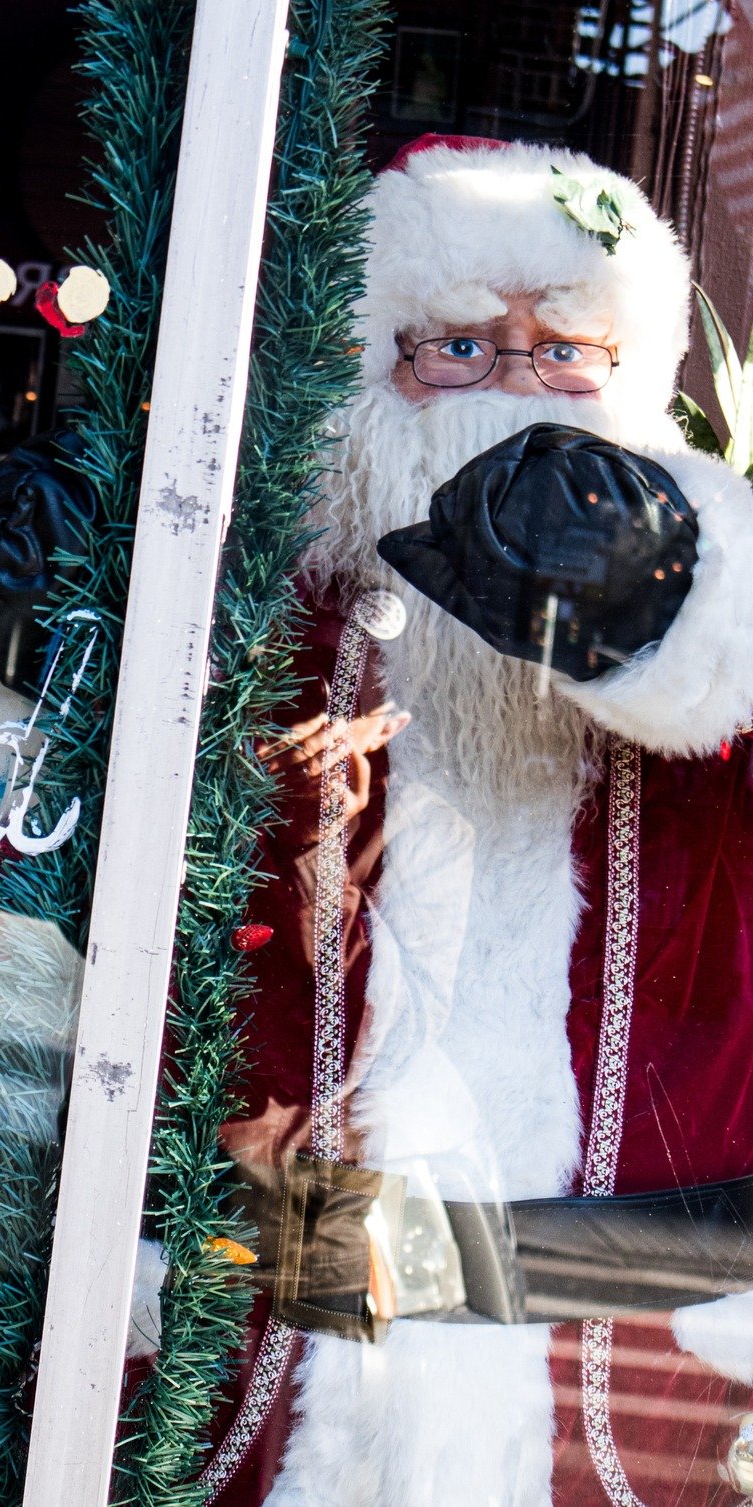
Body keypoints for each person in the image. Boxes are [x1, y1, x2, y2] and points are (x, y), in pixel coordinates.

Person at [201, 137, 753, 1506]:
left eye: (562, 351)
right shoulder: (264, 635)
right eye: (455, 344)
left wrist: (670, 627)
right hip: (278, 1328)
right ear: (371, 368)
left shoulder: (709, 654)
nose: (512, 386)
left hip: (617, 1367)